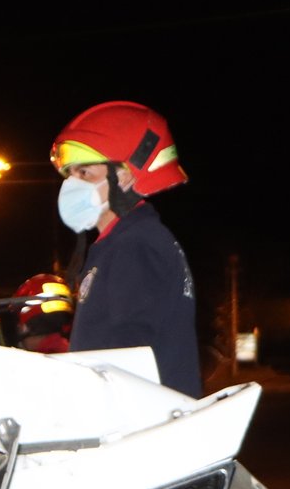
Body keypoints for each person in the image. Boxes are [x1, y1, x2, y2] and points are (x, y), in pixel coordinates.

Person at [49, 101, 202, 397]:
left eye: (85, 174)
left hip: (140, 429)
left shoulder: (136, 243)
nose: (71, 185)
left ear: (124, 176)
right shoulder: (122, 242)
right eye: (70, 174)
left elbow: (129, 354)